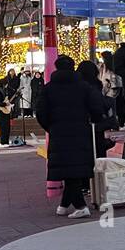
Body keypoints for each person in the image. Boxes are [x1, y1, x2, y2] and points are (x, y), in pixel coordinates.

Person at [35, 55, 104, 219]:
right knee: (74, 167)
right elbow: (96, 108)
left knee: (67, 168)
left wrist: (50, 127)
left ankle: (80, 206)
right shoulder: (84, 87)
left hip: (58, 132)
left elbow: (41, 113)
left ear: (56, 67)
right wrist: (93, 120)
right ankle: (66, 205)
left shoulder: (48, 88)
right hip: (81, 131)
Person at [76, 60, 111, 158]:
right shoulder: (95, 86)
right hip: (95, 126)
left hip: (80, 127)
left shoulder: (76, 86)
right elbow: (98, 107)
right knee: (98, 155)